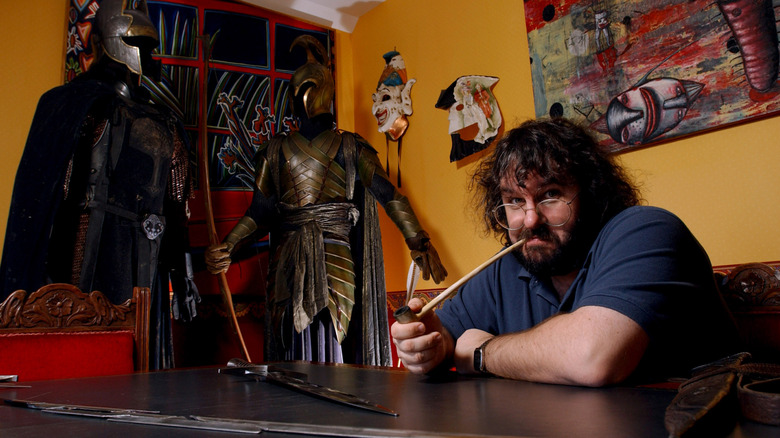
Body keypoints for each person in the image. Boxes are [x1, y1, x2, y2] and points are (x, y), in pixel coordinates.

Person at [392, 117, 740, 386]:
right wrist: (428, 346)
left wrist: (482, 353)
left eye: (549, 194)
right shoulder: (509, 265)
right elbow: (445, 337)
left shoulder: (647, 232)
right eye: (514, 201)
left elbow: (592, 357)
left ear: (591, 193)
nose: (529, 220)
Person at [205, 36, 447, 366]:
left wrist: (417, 239)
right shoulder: (275, 150)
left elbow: (388, 195)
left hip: (335, 253)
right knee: (289, 340)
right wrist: (229, 246)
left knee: (338, 335)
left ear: (308, 93)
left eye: (298, 90)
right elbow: (260, 212)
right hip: (288, 258)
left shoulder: (351, 147)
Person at [0, 0, 198, 369]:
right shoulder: (70, 105)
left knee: (141, 365)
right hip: (84, 257)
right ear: (116, 42)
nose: (152, 56)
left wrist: (183, 276)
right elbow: (46, 197)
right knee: (81, 364)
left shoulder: (164, 121)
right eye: (143, 45)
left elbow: (175, 208)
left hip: (144, 262)